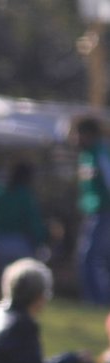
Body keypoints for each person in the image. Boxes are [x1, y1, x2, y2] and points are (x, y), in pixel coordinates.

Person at [0, 160, 48, 281]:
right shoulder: (26, 196)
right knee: (23, 280)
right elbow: (33, 223)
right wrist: (40, 240)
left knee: (4, 280)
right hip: (20, 243)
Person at [75, 117, 110, 305]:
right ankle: (93, 300)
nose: (75, 138)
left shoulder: (101, 152)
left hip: (105, 212)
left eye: (78, 133)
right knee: (89, 257)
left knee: (92, 257)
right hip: (94, 213)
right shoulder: (87, 155)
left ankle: (99, 301)